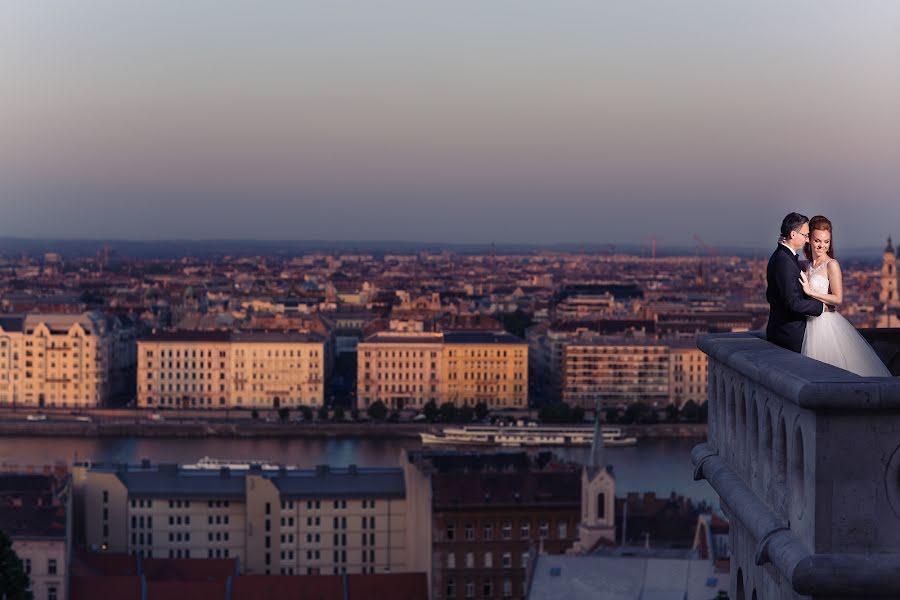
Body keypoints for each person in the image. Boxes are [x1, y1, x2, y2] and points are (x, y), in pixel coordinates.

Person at [799, 215, 891, 376]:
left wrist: (810, 292)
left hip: (825, 324)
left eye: (826, 241)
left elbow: (838, 298)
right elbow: (787, 259)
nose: (822, 246)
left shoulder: (832, 264)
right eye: (817, 240)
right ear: (809, 240)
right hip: (809, 322)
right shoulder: (807, 264)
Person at [766, 212, 825, 353]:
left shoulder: (785, 257)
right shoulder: (784, 261)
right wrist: (822, 307)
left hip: (785, 331)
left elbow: (771, 295)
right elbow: (793, 303)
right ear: (793, 234)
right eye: (805, 235)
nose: (806, 240)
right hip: (789, 335)